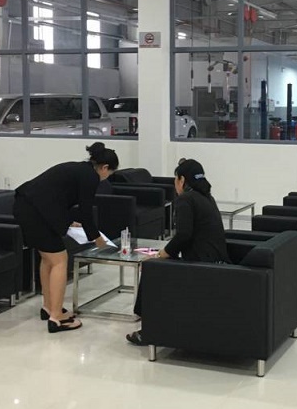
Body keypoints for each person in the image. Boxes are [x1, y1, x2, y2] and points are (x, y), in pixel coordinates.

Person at [13, 142, 118, 333]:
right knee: (60, 260)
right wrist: (96, 237)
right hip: (37, 212)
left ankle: (48, 306)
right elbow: (86, 210)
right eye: (109, 173)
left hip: (26, 206)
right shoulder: (91, 177)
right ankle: (57, 318)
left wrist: (69, 221)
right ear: (104, 168)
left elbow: (57, 197)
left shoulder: (80, 169)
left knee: (48, 259)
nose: (106, 178)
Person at [126, 158, 229, 345]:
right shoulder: (207, 197)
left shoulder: (185, 199)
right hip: (217, 261)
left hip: (200, 265)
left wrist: (160, 254)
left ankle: (148, 329)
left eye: (175, 179)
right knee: (159, 263)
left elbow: (183, 236)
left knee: (152, 268)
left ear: (181, 180)